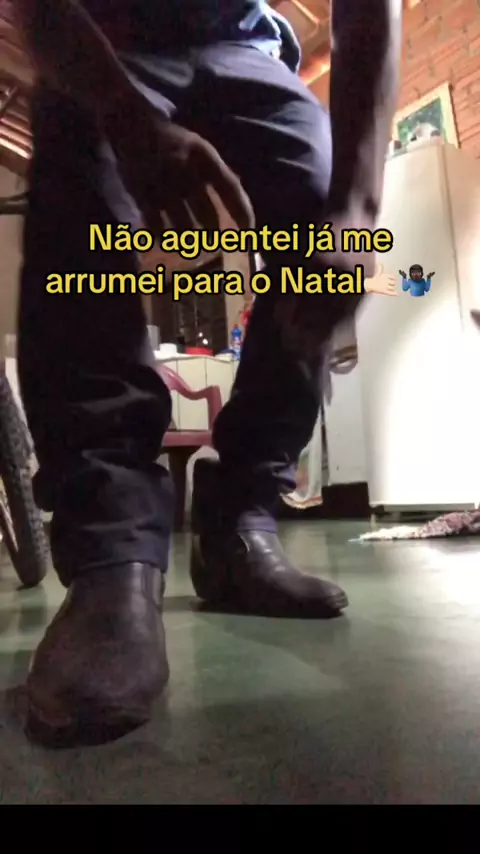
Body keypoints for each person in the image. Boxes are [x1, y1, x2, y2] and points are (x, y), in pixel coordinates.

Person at [14, 0, 402, 747]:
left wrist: (356, 210)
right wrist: (124, 117)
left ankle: (239, 519)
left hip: (247, 42)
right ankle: (113, 557)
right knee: (76, 144)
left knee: (315, 192)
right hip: (104, 29)